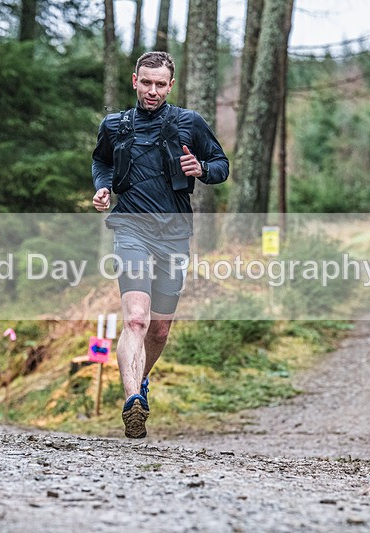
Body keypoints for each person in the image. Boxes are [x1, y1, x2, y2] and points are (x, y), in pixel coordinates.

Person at [91, 51, 229, 438]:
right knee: (137, 317)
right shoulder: (115, 125)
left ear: (171, 85)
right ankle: (132, 399)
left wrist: (202, 169)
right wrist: (101, 187)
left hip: (174, 234)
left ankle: (141, 380)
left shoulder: (190, 123)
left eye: (160, 84)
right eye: (146, 82)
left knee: (160, 330)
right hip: (131, 229)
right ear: (134, 81)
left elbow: (221, 164)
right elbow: (100, 162)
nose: (152, 91)